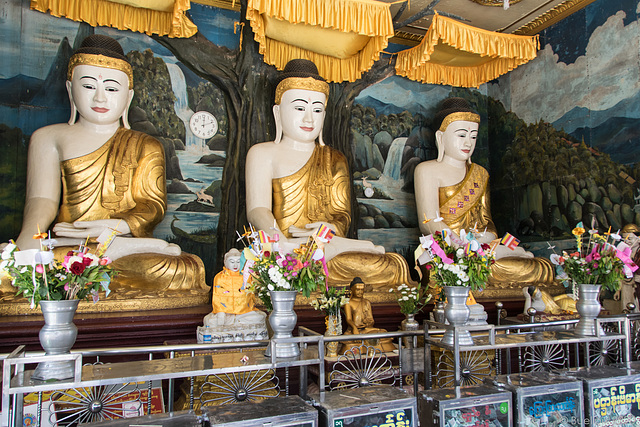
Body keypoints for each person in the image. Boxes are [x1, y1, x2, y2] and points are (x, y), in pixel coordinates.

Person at [2, 35, 208, 305]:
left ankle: (116, 250)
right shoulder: (49, 138)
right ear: (70, 88)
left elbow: (152, 205)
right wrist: (27, 242)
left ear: (128, 96)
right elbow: (42, 200)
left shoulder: (145, 145)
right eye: (88, 85)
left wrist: (111, 228)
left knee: (182, 269)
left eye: (111, 89)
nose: (100, 97)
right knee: (9, 273)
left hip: (122, 246)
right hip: (68, 246)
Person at [245, 59, 414, 291]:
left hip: (326, 249)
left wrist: (329, 228)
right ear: (278, 112)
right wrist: (280, 241)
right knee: (283, 266)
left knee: (390, 265)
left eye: (317, 110)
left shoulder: (335, 159)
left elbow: (342, 216)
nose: (309, 119)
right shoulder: (262, 153)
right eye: (299, 108)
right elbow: (257, 210)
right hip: (283, 249)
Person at [414, 97, 555, 288]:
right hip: (444, 248)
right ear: (441, 138)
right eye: (462, 135)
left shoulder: (481, 174)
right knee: (455, 267)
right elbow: (428, 221)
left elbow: (486, 222)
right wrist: (459, 245)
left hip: (478, 247)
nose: (468, 142)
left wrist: (481, 241)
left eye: (473, 136)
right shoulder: (426, 170)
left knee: (536, 267)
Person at [202, 248, 266, 341]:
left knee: (260, 317)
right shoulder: (220, 277)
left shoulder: (246, 276)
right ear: (225, 262)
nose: (235, 265)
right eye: (232, 262)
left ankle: (236, 324)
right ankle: (235, 325)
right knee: (210, 321)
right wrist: (221, 313)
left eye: (238, 262)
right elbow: (218, 297)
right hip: (226, 314)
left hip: (244, 313)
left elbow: (251, 294)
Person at [342, 277, 395, 352]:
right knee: (351, 339)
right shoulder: (348, 303)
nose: (360, 292)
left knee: (384, 333)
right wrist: (354, 328)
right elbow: (349, 319)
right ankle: (367, 342)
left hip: (366, 330)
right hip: (354, 330)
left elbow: (371, 319)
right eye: (357, 290)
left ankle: (368, 342)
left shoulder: (367, 302)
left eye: (362, 290)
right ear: (352, 289)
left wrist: (368, 322)